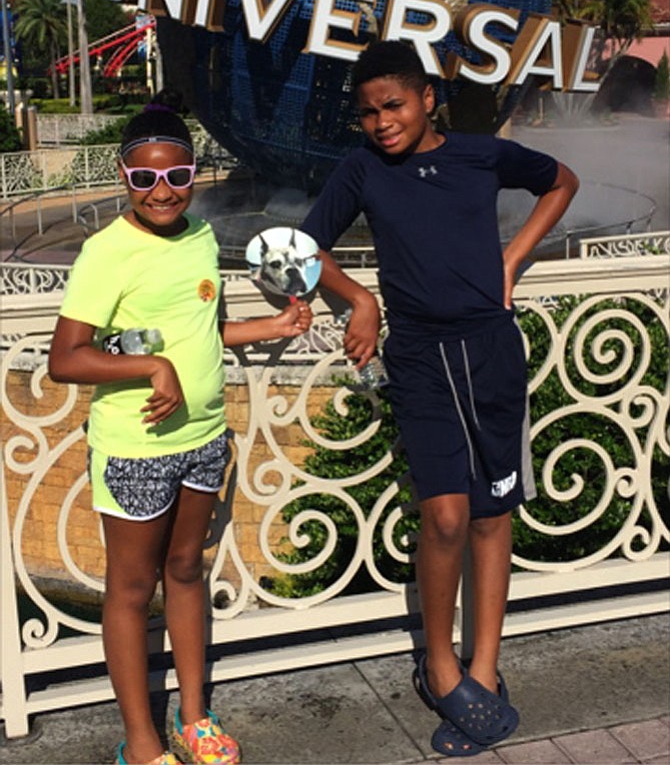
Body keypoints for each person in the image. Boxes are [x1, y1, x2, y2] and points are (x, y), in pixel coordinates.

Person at [301, 41, 579, 757]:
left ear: (428, 99)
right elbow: (298, 248)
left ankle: (484, 668)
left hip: (490, 349)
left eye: (392, 105)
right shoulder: (361, 169)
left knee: (493, 513)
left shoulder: (481, 154)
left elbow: (562, 181)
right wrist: (357, 297)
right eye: (367, 112)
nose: (380, 122)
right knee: (447, 514)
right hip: (420, 355)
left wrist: (512, 257)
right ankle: (440, 663)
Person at [48, 106, 311, 765]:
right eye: (144, 177)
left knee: (187, 571)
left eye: (177, 176)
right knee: (132, 591)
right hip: (136, 447)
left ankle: (195, 718)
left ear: (194, 174)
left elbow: (204, 331)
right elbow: (66, 357)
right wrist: (150, 366)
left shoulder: (199, 236)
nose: (161, 191)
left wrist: (269, 329)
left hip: (202, 438)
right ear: (124, 176)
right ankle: (140, 742)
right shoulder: (105, 252)